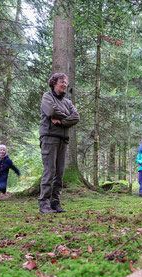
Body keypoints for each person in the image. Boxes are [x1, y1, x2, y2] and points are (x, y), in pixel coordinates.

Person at [38, 73, 80, 213]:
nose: (64, 84)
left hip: (63, 139)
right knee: (49, 171)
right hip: (49, 138)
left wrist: (61, 120)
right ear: (54, 83)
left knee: (59, 173)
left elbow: (76, 117)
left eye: (66, 82)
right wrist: (67, 116)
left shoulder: (68, 102)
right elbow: (50, 111)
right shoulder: (47, 97)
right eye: (61, 82)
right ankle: (44, 204)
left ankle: (55, 202)